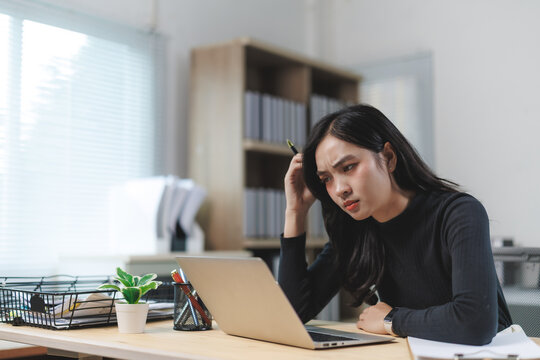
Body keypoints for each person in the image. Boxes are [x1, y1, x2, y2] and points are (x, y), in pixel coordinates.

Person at [278, 104, 512, 345]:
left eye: (348, 167)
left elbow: (474, 323)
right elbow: (292, 313)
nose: (339, 189)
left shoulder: (458, 212)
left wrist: (391, 319)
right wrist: (295, 211)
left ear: (388, 157)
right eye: (326, 179)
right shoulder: (356, 231)